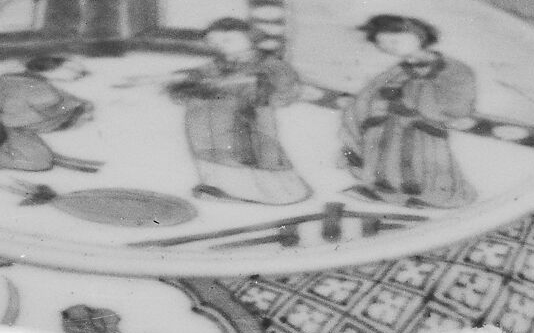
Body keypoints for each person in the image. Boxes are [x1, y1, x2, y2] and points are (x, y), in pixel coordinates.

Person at [166, 17, 310, 205]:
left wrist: (257, 87)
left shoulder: (268, 64)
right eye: (214, 42)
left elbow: (285, 87)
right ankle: (220, 188)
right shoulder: (214, 66)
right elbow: (188, 83)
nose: (221, 45)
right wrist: (184, 85)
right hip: (206, 126)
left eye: (228, 40)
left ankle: (272, 194)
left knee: (253, 155)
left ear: (250, 39)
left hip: (245, 121)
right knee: (212, 155)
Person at [341, 15, 477, 208]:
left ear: (418, 36)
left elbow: (457, 99)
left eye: (394, 40)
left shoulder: (453, 69)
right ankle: (386, 191)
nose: (390, 47)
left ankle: (432, 195)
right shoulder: (396, 71)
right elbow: (368, 97)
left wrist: (412, 102)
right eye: (382, 44)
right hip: (390, 129)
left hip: (424, 131)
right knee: (387, 160)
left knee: (423, 163)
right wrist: (380, 103)